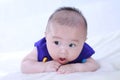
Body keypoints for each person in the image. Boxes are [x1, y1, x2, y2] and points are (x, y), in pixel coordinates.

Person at [21, 7, 100, 74]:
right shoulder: (42, 48)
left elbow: (93, 65)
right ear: (46, 37)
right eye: (56, 42)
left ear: (83, 42)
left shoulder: (82, 49)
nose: (63, 51)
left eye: (71, 45)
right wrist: (44, 67)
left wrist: (75, 68)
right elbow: (24, 65)